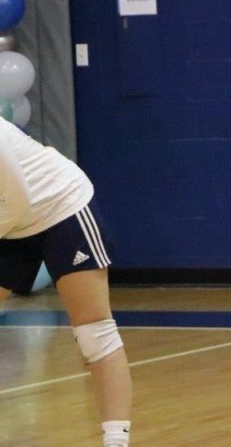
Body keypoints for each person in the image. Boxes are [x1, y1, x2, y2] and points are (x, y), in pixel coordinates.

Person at [0, 117, 133, 446]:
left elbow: (18, 200)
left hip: (59, 207)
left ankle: (116, 441)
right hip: (10, 222)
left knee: (94, 334)